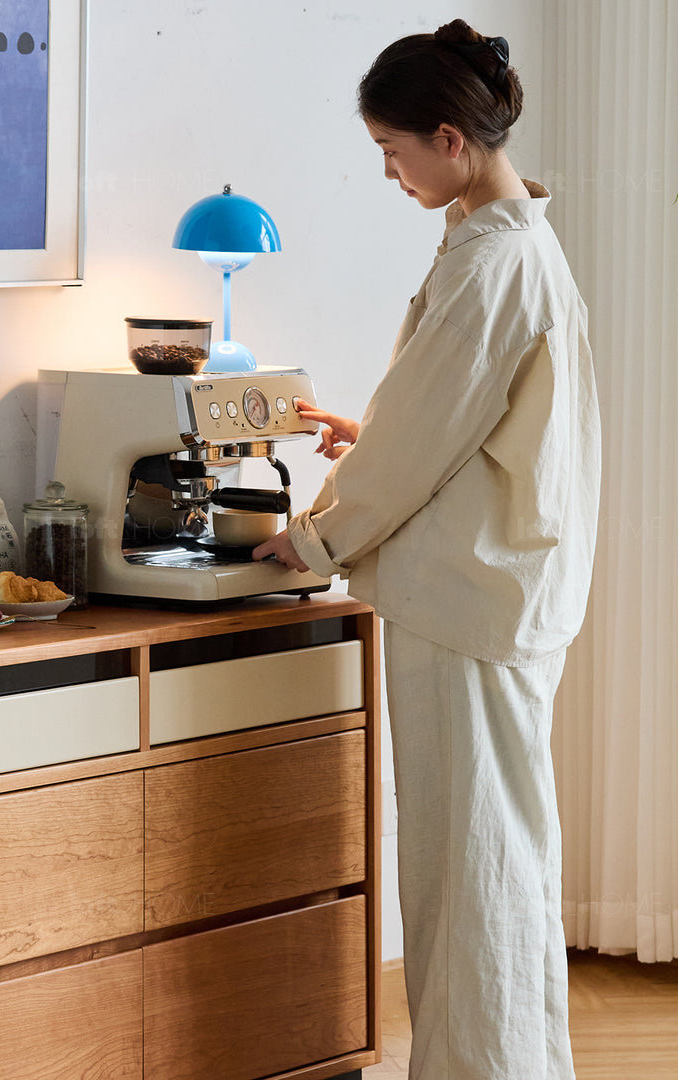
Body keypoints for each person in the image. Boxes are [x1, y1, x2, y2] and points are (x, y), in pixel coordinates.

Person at [254, 19, 601, 1080]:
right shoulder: (513, 246)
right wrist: (375, 436)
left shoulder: (491, 265)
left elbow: (417, 448)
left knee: (469, 875)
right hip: (502, 592)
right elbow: (458, 425)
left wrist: (309, 539)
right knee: (502, 864)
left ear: (449, 139)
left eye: (392, 152)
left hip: (465, 606)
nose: (392, 174)